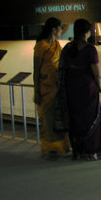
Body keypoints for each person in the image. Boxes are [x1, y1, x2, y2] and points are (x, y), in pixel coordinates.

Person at [57, 19, 101, 161]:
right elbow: (96, 73)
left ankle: (78, 150)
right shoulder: (90, 49)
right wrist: (100, 85)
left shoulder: (68, 48)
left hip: (71, 87)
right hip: (87, 89)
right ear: (87, 32)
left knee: (75, 119)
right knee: (90, 119)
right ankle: (91, 151)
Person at [33, 17, 70, 160]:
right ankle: (49, 148)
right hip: (45, 89)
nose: (62, 30)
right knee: (48, 120)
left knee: (58, 118)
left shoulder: (57, 45)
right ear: (54, 29)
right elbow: (36, 69)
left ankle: (61, 147)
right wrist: (36, 91)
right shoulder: (41, 46)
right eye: (60, 28)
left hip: (57, 88)